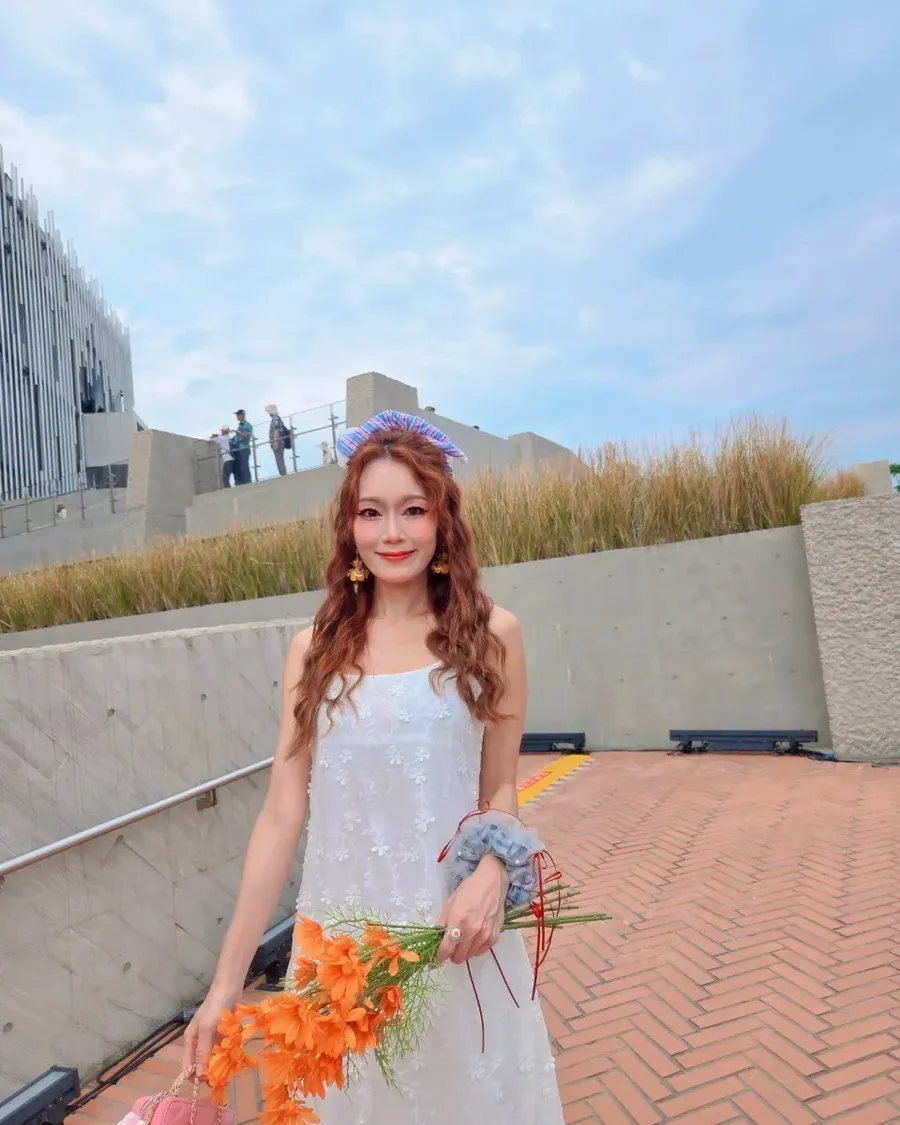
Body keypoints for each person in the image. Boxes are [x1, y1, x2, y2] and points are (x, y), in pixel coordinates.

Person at [183, 411, 564, 1124]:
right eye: (371, 512)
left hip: (452, 939)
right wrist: (224, 985)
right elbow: (282, 813)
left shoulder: (494, 635)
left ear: (443, 519)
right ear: (350, 527)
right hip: (340, 950)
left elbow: (500, 786)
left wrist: (493, 871)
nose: (393, 532)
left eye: (413, 509)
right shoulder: (314, 648)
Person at [265, 404, 291, 476]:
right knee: (280, 459)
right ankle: (283, 474)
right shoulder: (277, 418)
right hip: (280, 441)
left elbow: (276, 430)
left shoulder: (275, 418)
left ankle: (283, 475)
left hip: (278, 442)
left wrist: (275, 443)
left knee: (279, 459)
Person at [232, 409, 253, 484]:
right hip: (238, 449)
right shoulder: (240, 426)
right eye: (237, 415)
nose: (237, 416)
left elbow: (247, 436)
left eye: (239, 415)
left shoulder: (247, 425)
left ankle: (247, 482)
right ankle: (240, 483)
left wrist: (238, 432)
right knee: (239, 467)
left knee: (244, 467)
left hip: (244, 448)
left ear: (243, 415)